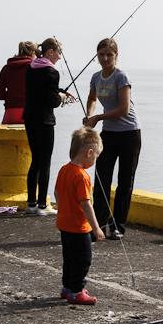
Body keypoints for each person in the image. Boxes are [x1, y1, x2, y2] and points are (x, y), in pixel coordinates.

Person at [84, 38, 141, 240]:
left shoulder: (121, 76)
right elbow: (92, 98)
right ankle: (98, 225)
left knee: (125, 182)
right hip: (108, 135)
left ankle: (118, 227)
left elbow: (124, 109)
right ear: (97, 56)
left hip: (129, 134)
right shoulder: (96, 77)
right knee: (102, 180)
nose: (106, 58)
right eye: (102, 54)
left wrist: (98, 117)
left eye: (110, 54)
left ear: (116, 55)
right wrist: (90, 114)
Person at [23, 38, 74, 216]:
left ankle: (31, 203)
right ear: (50, 52)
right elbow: (52, 101)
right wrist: (60, 96)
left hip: (29, 118)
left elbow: (40, 90)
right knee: (45, 162)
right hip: (45, 121)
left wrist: (58, 90)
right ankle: (42, 205)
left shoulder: (31, 67)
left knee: (35, 160)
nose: (60, 57)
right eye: (59, 52)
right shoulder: (52, 72)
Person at [54, 126, 106, 305]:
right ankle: (76, 291)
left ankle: (67, 287)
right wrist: (96, 227)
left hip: (64, 223)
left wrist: (63, 209)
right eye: (96, 156)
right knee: (83, 260)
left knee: (68, 258)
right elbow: (86, 204)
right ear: (89, 152)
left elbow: (57, 194)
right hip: (78, 227)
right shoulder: (82, 176)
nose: (95, 159)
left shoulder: (64, 169)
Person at [0, 41, 38, 124]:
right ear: (32, 53)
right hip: (30, 112)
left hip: (10, 113)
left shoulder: (6, 68)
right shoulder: (34, 68)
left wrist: (11, 94)